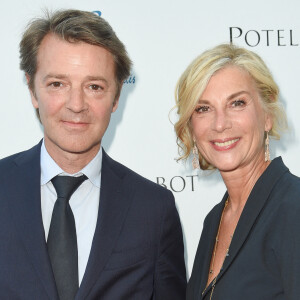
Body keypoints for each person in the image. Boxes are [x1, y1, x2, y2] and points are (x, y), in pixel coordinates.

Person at [0, 9, 186, 299]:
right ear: (33, 90)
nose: (76, 104)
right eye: (57, 84)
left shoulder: (153, 210)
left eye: (94, 86)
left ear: (116, 97)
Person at [174, 43, 300, 299]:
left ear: (267, 115)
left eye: (237, 103)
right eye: (203, 108)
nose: (220, 124)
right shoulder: (214, 220)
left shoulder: (294, 208)